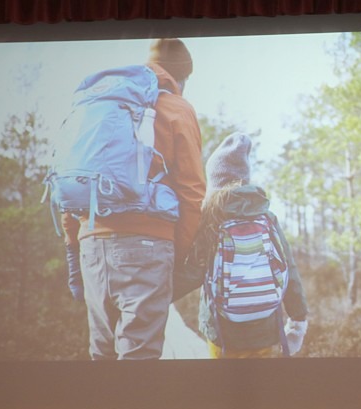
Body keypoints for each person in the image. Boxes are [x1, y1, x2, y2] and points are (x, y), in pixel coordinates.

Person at [63, 38, 205, 359]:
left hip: (91, 246)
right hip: (147, 246)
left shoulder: (96, 102)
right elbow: (193, 192)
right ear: (181, 77)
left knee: (102, 355)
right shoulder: (176, 107)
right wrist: (175, 255)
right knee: (139, 358)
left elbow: (70, 183)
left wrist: (75, 248)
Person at [174, 132, 309, 358]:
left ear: (215, 182)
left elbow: (193, 273)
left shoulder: (212, 220)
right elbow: (289, 269)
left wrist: (155, 297)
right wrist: (298, 317)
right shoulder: (267, 218)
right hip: (265, 329)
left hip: (223, 333)